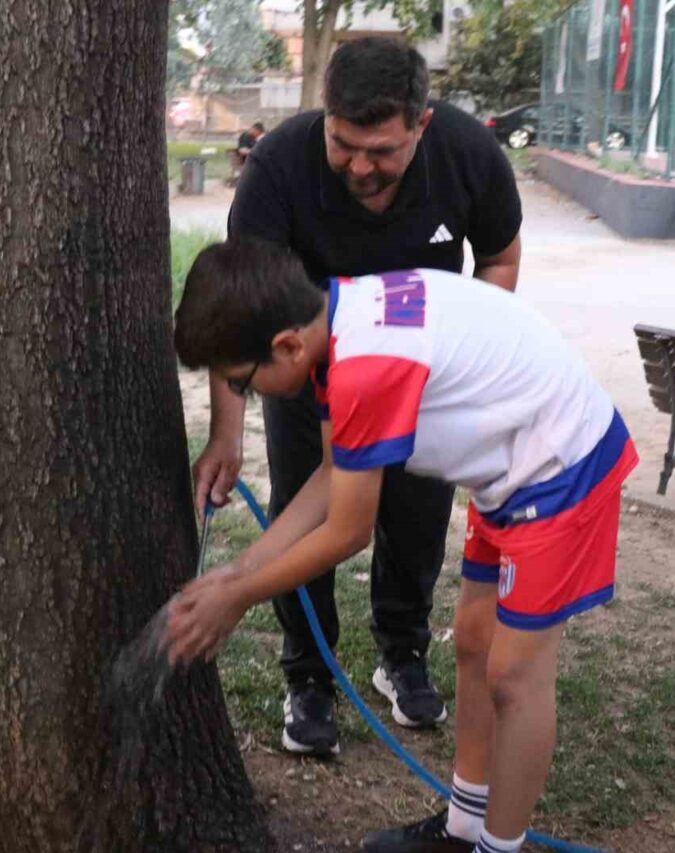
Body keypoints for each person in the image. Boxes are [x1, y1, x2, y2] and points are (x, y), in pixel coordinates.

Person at [166, 240, 638, 853]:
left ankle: (499, 846)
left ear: (285, 345)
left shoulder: (364, 366)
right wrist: (238, 571)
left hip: (562, 465)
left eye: (242, 382)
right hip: (512, 468)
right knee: (473, 641)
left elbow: (348, 529)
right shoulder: (337, 322)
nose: (247, 394)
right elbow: (336, 472)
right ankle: (465, 823)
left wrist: (240, 598)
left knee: (515, 675)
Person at [192, 36, 523, 755]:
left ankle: (400, 653)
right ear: (325, 116)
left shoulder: (467, 152)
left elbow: (499, 255)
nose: (361, 166)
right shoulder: (279, 166)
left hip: (422, 379)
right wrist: (227, 433)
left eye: (383, 151)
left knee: (416, 512)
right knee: (305, 510)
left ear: (421, 127)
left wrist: (467, 350)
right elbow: (243, 313)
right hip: (306, 371)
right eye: (344, 145)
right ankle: (307, 674)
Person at [229, 121, 266, 186]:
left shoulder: (261, 138)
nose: (250, 131)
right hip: (248, 161)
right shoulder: (246, 136)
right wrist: (255, 151)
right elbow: (242, 150)